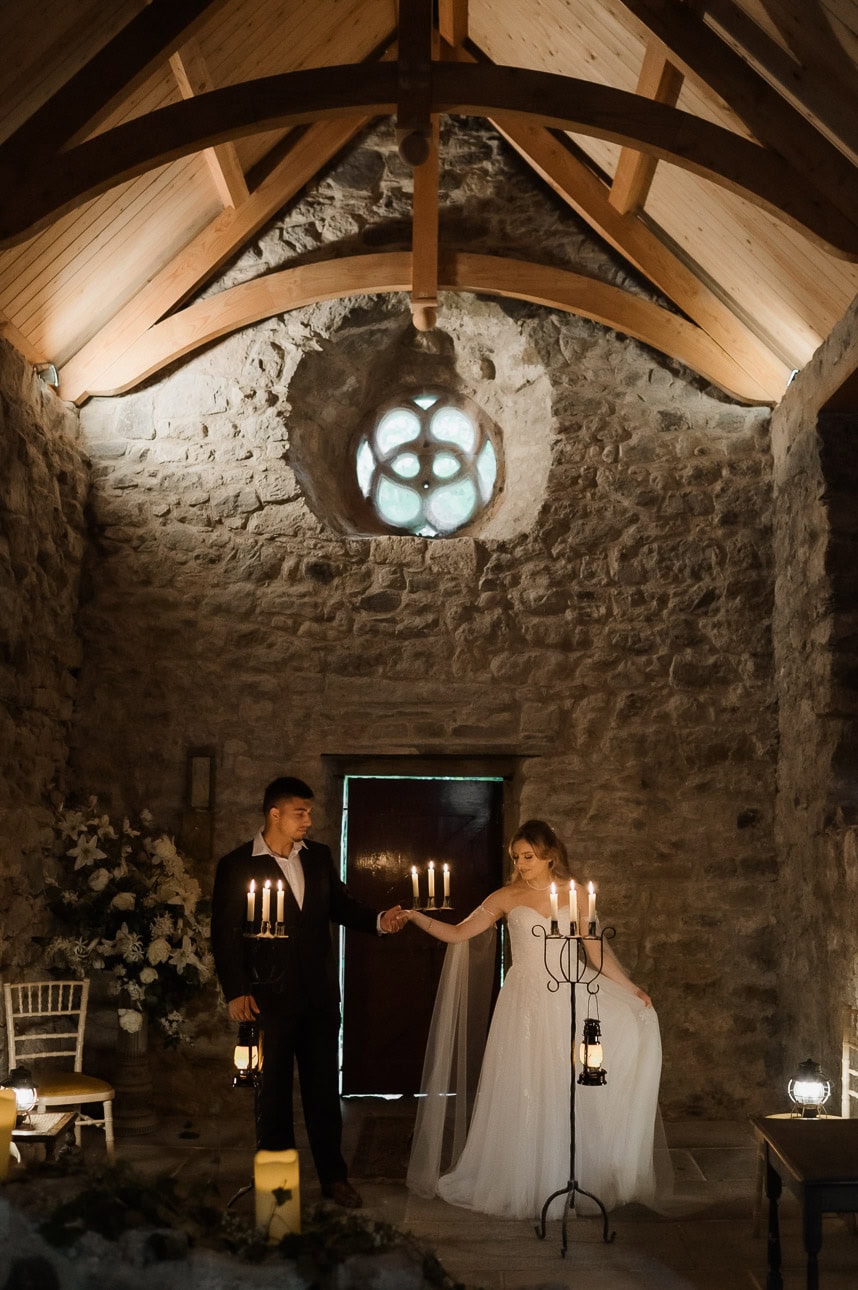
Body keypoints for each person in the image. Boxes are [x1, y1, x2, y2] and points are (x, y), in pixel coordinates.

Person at [404, 819, 664, 1220]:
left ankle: (575, 1174)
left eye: (528, 857)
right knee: (527, 1084)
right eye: (516, 857)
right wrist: (415, 917)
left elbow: (595, 953)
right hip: (524, 1003)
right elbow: (459, 933)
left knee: (574, 1085)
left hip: (570, 996)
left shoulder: (575, 894)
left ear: (549, 856)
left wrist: (631, 989)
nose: (522, 864)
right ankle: (527, 1177)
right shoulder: (506, 896)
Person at [211, 775, 406, 1209]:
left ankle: (334, 1178)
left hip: (319, 997)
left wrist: (378, 921)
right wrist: (236, 991)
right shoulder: (237, 865)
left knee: (322, 1094)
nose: (309, 819)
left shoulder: (317, 857)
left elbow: (340, 905)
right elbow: (224, 936)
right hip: (267, 998)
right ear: (274, 814)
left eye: (310, 812)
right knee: (272, 1096)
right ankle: (278, 1189)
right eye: (300, 812)